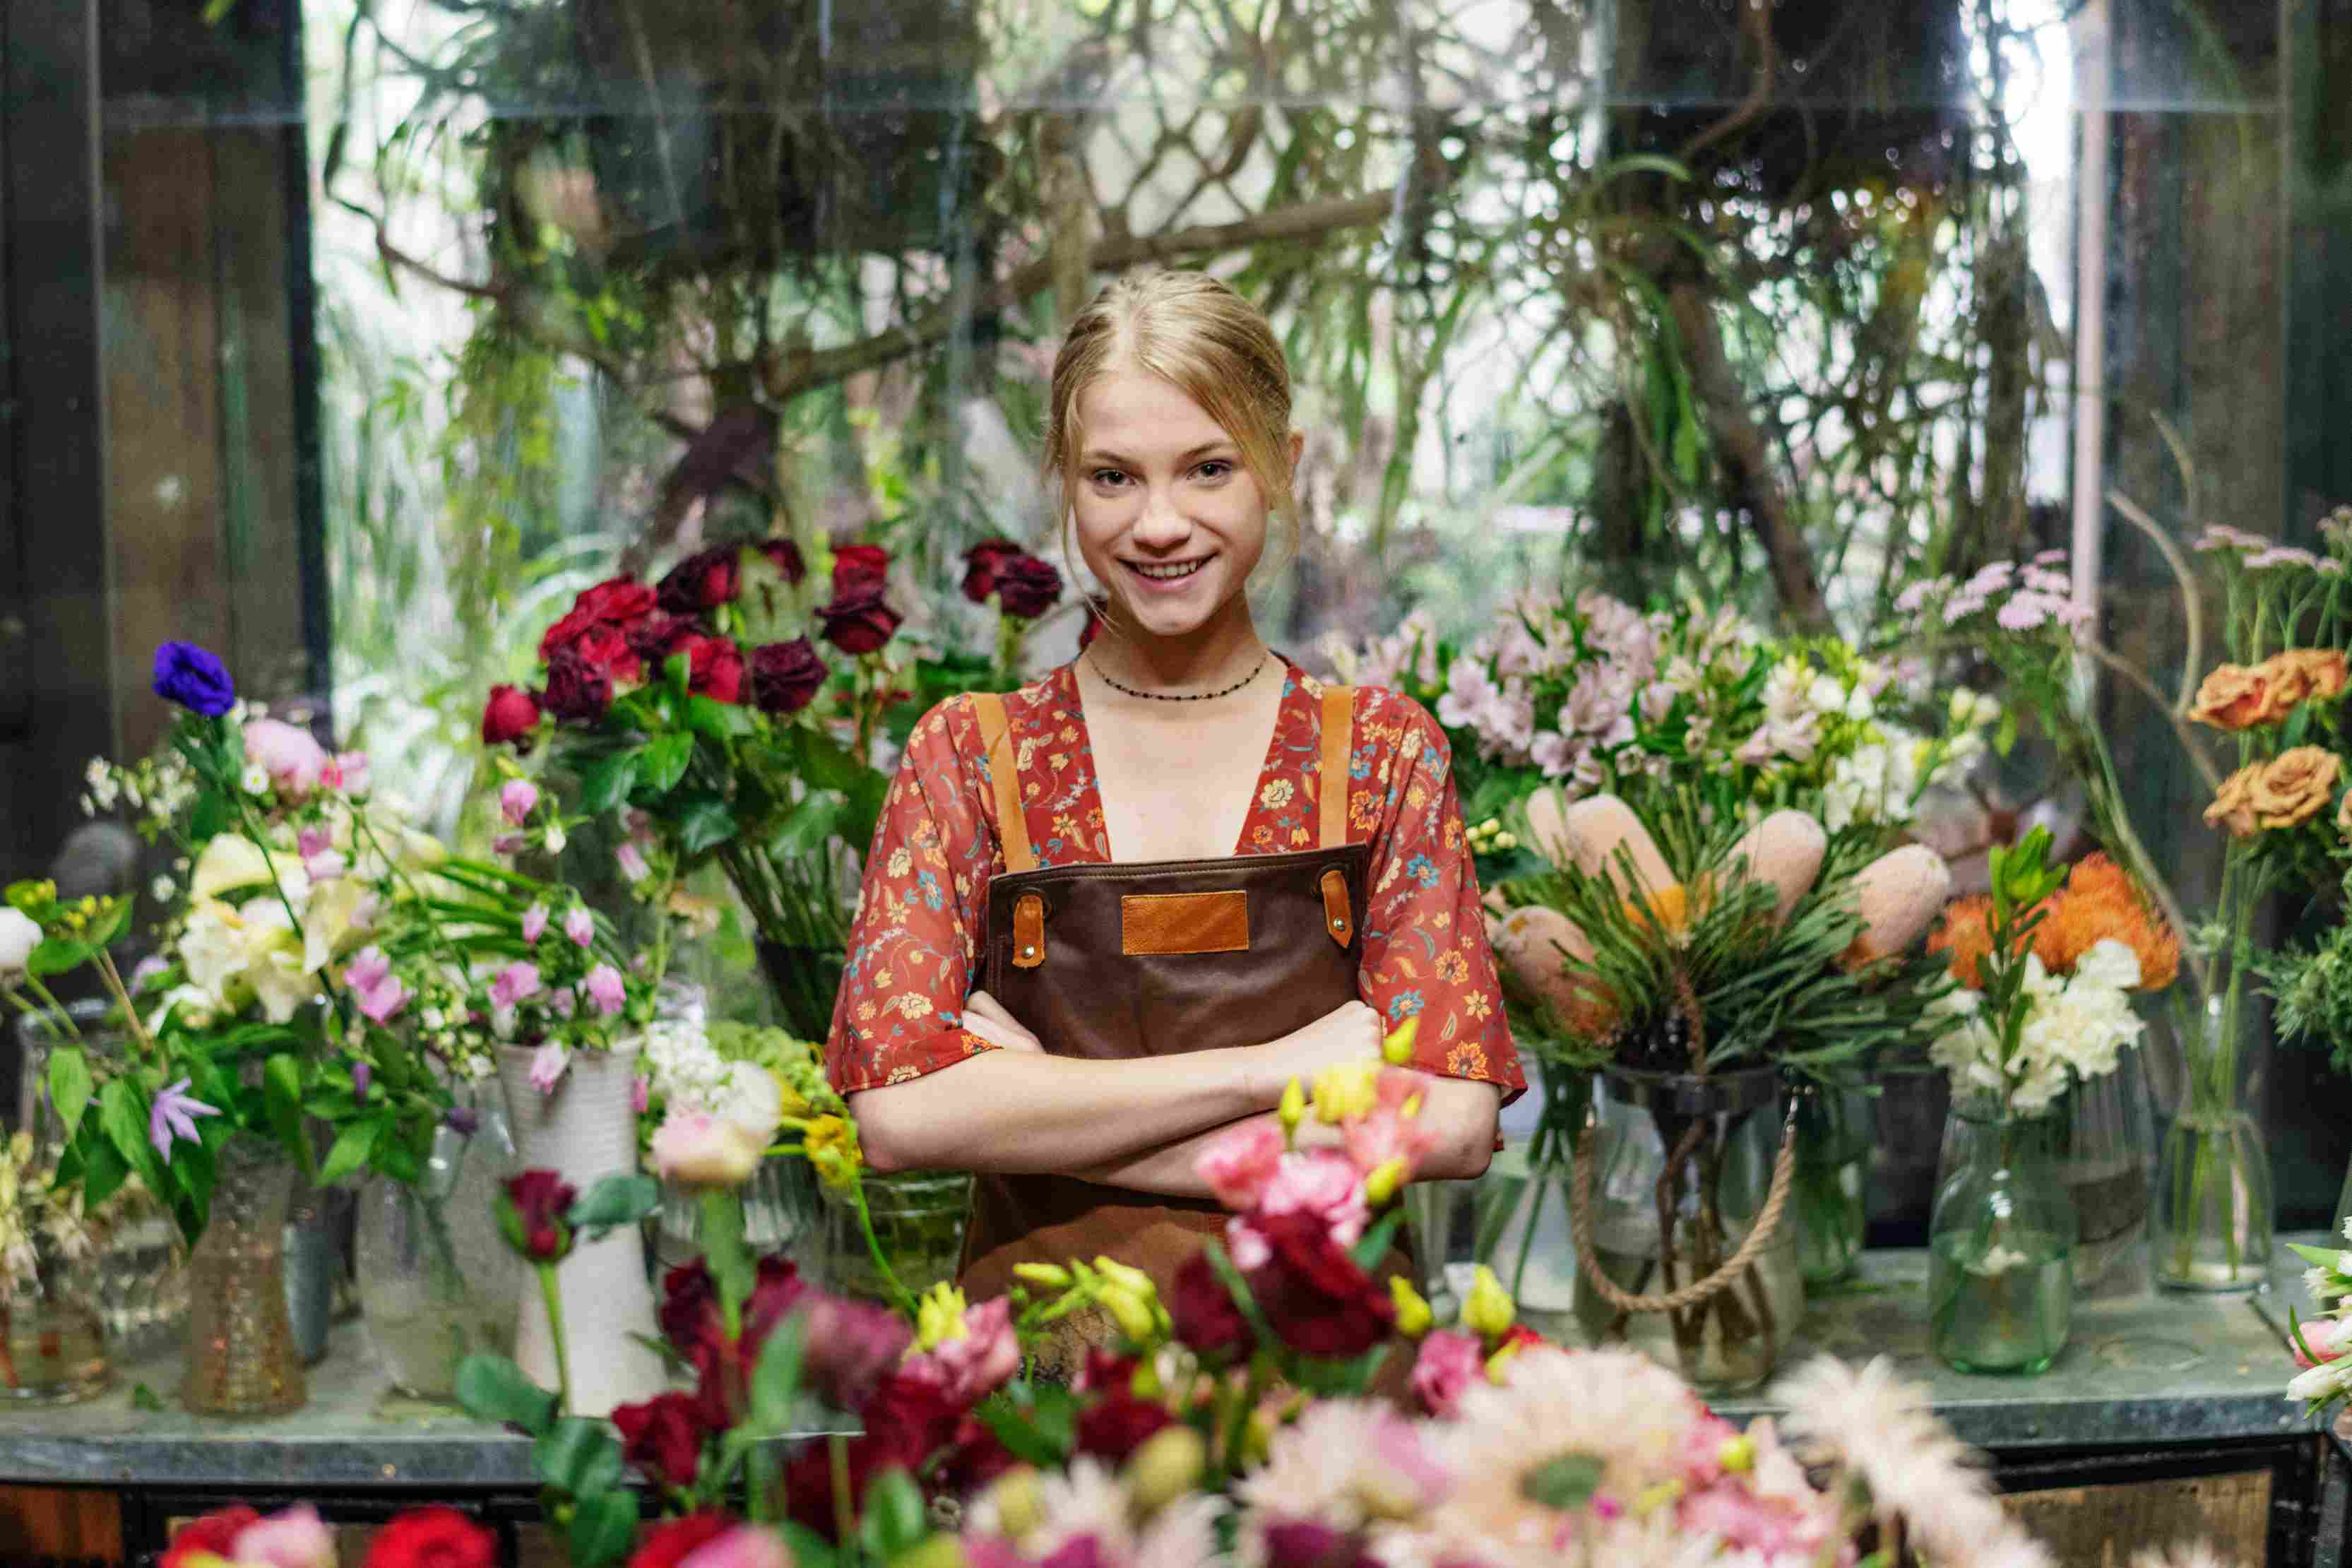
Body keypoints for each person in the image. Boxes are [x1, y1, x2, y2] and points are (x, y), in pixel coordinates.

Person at [824, 269, 1524, 1342]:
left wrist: (1025, 1099)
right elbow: (900, 1118)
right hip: (1042, 1399)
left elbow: (1453, 1124)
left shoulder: (1378, 753)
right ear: (1064, 482)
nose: (1159, 524)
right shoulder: (971, 756)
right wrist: (1277, 1072)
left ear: (1280, 470)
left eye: (1207, 468)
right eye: (1112, 477)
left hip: (1323, 1390)